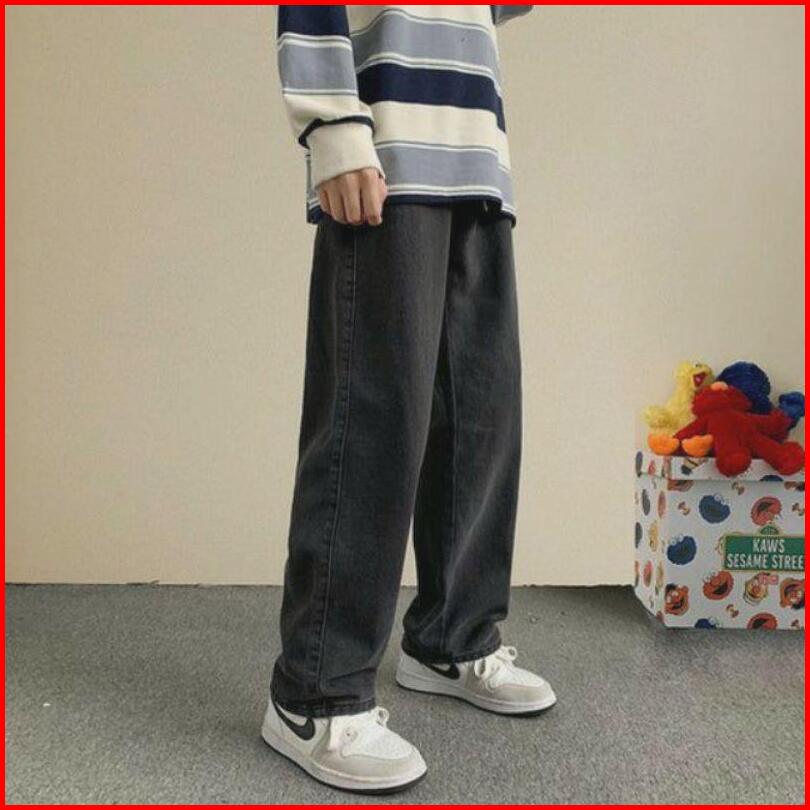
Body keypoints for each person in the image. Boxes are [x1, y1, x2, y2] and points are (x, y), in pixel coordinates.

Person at [262, 5, 555, 794]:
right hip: (387, 146)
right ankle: (314, 694)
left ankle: (451, 638)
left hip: (477, 153)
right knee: (374, 419)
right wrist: (333, 127)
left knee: (481, 414)